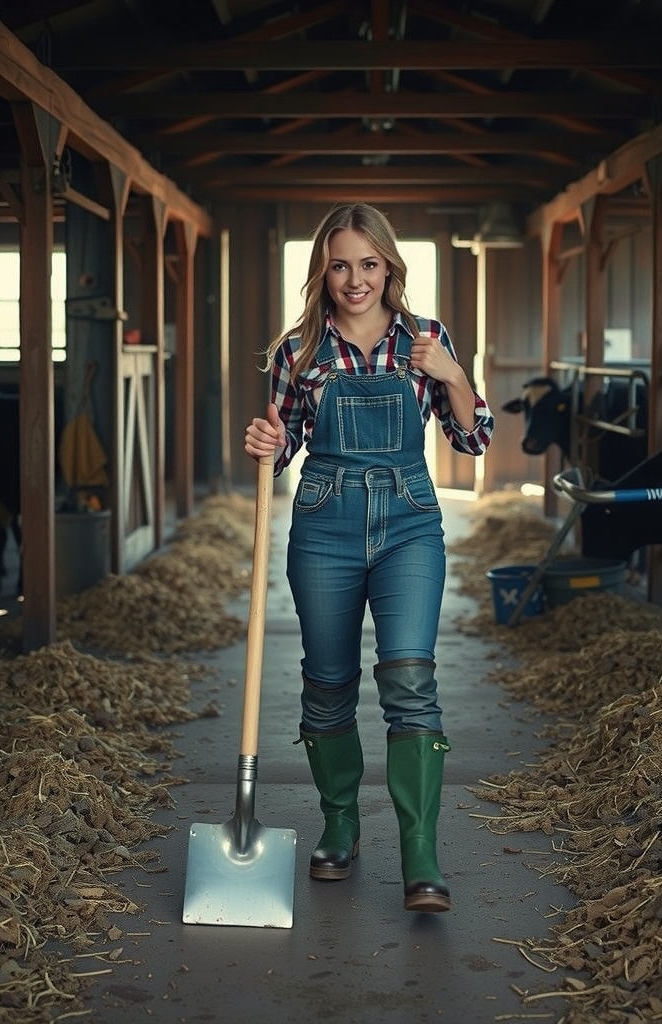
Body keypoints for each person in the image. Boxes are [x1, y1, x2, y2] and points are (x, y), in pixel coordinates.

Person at [243, 203, 494, 914]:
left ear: (390, 267)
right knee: (327, 683)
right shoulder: (297, 349)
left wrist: (451, 374)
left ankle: (421, 853)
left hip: (409, 522)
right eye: (341, 264)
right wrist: (265, 445)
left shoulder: (427, 337)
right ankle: (340, 824)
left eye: (369, 263)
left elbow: (473, 440)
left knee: (411, 678)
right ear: (323, 270)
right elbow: (282, 443)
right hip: (324, 524)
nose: (355, 279)